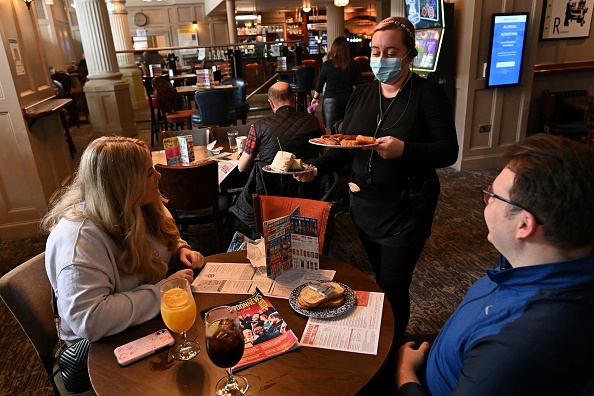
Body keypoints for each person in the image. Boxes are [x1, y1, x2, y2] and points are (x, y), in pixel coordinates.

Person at [296, 16, 458, 338]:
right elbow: (345, 145)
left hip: (406, 210)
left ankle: (394, 347)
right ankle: (380, 339)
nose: (381, 59)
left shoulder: (427, 94)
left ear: (410, 55)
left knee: (393, 285)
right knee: (376, 278)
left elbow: (448, 152)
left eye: (391, 51)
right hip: (365, 206)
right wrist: (316, 168)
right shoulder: (362, 95)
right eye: (376, 50)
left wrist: (405, 150)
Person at [396, 134, 594, 396]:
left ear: (524, 225)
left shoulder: (518, 344)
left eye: (492, 195)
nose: (487, 202)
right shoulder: (535, 260)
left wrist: (404, 375)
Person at [42, 136, 205, 345]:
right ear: (123, 186)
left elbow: (163, 240)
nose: (158, 175)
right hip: (100, 349)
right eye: (148, 173)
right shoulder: (79, 241)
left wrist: (180, 249)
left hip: (144, 323)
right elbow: (90, 320)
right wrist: (163, 292)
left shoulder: (143, 205)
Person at [237, 81, 324, 173]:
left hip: (271, 185)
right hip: (310, 184)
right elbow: (328, 154)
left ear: (271, 103)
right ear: (294, 99)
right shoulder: (315, 122)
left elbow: (242, 167)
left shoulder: (257, 127)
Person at [310, 36, 362, 129]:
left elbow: (319, 84)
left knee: (330, 131)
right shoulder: (353, 65)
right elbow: (359, 86)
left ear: (333, 49)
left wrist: (315, 98)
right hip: (348, 101)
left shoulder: (327, 65)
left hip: (330, 102)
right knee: (346, 130)